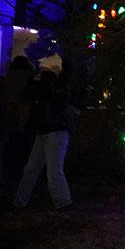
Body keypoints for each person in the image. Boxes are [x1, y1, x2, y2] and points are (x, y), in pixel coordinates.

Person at [12, 55, 73, 210]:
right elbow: (28, 96)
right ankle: (19, 202)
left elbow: (46, 94)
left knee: (53, 171)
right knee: (32, 168)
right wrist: (35, 80)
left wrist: (45, 76)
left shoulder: (58, 84)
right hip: (44, 131)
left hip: (55, 131)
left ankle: (63, 203)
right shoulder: (46, 82)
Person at [0, 55, 34, 197]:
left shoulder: (8, 80)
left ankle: (7, 184)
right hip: (27, 120)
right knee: (24, 154)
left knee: (8, 155)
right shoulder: (30, 78)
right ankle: (19, 183)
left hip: (9, 119)